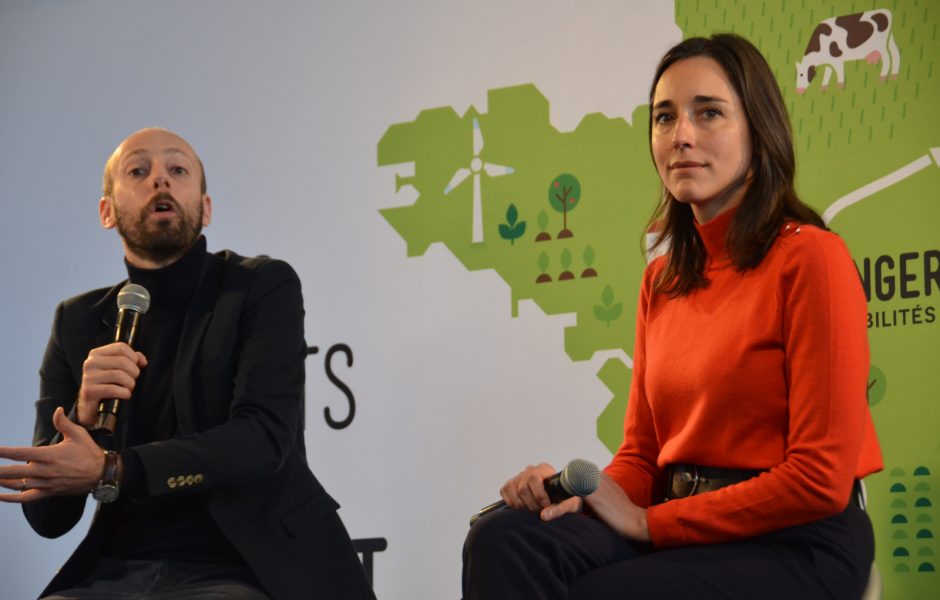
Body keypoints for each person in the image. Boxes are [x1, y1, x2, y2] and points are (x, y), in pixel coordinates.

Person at [462, 34, 882, 599]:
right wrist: (582, 494)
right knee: (502, 539)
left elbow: (818, 480)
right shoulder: (661, 280)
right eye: (664, 118)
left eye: (708, 113)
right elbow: (641, 454)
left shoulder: (812, 258)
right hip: (680, 525)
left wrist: (645, 522)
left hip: (796, 540)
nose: (681, 135)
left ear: (759, 132)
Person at [0, 128, 375, 600]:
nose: (161, 181)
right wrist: (83, 414)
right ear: (107, 212)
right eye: (139, 171)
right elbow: (47, 520)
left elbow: (262, 438)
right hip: (116, 571)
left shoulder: (259, 287)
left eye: (177, 170)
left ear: (206, 206)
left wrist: (115, 469)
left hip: (245, 567)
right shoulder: (76, 322)